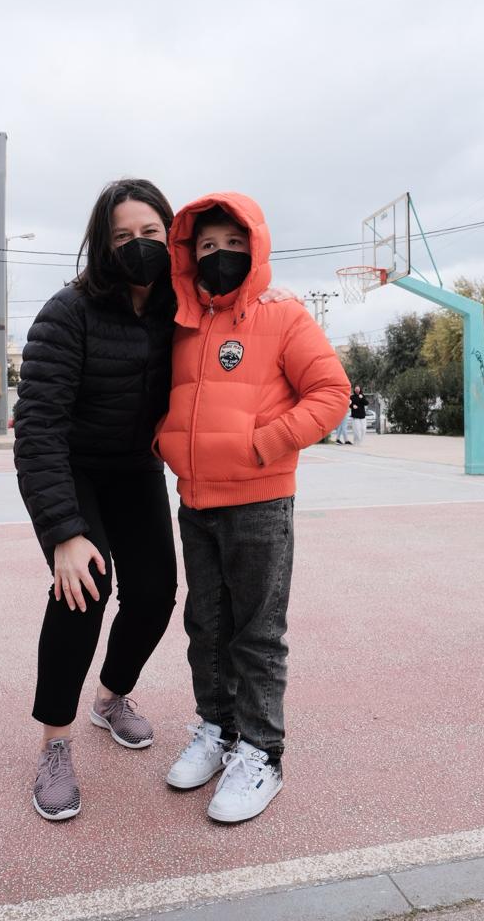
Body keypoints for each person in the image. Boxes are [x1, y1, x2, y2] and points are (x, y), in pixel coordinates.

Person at [14, 179, 299, 823]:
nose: (137, 245)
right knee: (83, 588)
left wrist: (269, 294)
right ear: (101, 244)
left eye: (149, 233)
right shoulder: (68, 312)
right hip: (74, 468)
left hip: (134, 467)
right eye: (122, 236)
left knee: (153, 595)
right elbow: (38, 428)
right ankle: (55, 743)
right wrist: (63, 531)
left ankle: (110, 697)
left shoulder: (182, 304)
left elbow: (237, 315)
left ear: (170, 238)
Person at [155, 193, 350, 823]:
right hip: (195, 500)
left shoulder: (284, 315)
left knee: (257, 633)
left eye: (233, 245)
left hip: (261, 503)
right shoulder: (181, 323)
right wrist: (166, 443)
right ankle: (218, 730)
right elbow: (162, 396)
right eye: (208, 246)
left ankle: (262, 754)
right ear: (190, 255)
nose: (220, 255)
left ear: (255, 248)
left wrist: (264, 445)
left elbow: (331, 392)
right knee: (205, 627)